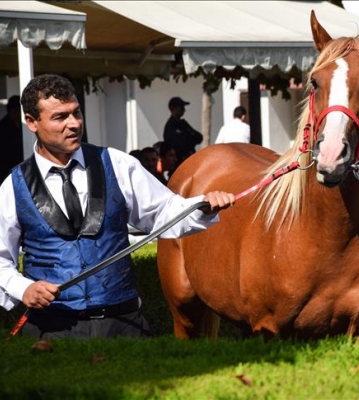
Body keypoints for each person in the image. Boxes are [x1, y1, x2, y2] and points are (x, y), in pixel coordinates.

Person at [0, 74, 236, 340]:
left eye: (76, 113)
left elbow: (164, 212)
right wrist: (23, 289)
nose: (74, 124)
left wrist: (202, 206)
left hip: (123, 325)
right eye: (60, 117)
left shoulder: (117, 164)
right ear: (31, 121)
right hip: (49, 331)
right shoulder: (12, 186)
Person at [163, 96, 202, 169]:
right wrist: (189, 138)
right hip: (178, 163)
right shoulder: (171, 125)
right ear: (173, 108)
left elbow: (199, 137)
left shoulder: (183, 123)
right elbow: (179, 144)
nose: (184, 110)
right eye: (181, 107)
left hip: (189, 160)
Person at [0, 95, 24, 183]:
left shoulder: (24, 126)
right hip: (7, 171)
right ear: (10, 110)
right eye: (16, 110)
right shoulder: (3, 127)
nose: (19, 113)